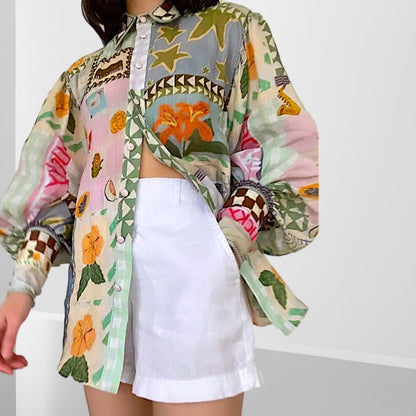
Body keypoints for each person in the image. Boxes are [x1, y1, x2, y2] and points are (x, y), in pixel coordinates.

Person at [0, 0, 319, 414]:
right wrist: (21, 289)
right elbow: (55, 191)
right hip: (98, 291)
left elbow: (282, 141)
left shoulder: (231, 29)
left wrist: (226, 241)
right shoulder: (84, 75)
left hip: (194, 277)